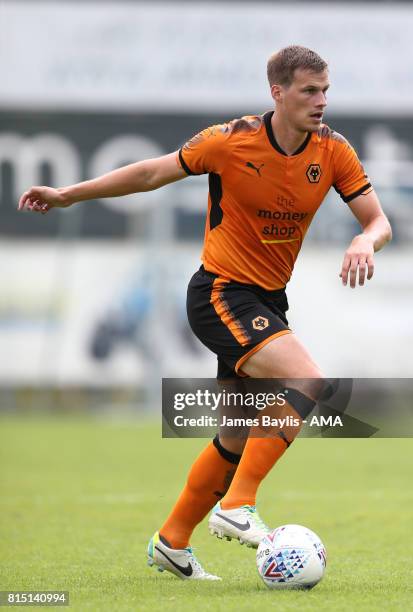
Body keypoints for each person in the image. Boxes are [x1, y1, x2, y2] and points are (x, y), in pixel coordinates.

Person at [18, 45, 392, 581]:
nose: (321, 101)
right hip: (220, 292)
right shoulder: (229, 140)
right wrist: (68, 195)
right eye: (310, 90)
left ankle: (172, 542)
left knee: (235, 435)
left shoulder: (333, 152)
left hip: (267, 300)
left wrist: (365, 240)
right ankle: (237, 506)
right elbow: (151, 174)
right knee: (307, 380)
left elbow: (379, 221)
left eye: (325, 90)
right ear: (278, 92)